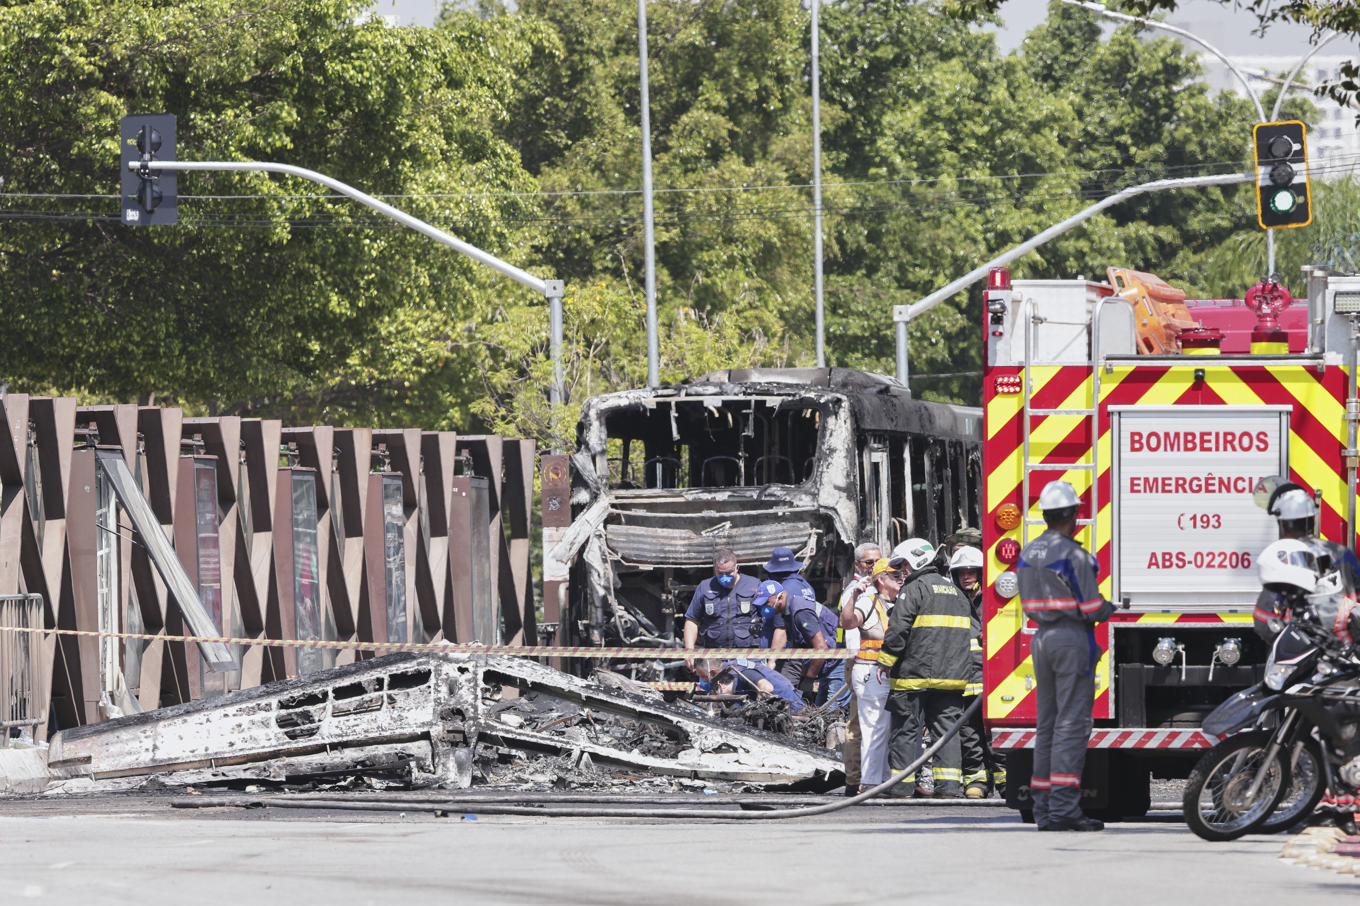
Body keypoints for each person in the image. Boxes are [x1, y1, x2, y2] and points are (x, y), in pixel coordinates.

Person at [1017, 480, 1115, 832]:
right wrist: (1112, 607)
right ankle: (1064, 810)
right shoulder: (1074, 554)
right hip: (1072, 639)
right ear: (1074, 514)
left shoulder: (1028, 552)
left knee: (1047, 727)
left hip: (1041, 639)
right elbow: (1091, 607)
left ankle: (1044, 811)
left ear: (1045, 515)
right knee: (1072, 727)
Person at [877, 537, 972, 798]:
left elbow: (898, 630)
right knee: (946, 733)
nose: (902, 571)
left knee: (906, 730)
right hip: (951, 679)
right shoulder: (957, 593)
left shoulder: (913, 589)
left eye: (903, 564)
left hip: (913, 678)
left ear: (918, 559)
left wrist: (885, 661)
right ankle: (949, 788)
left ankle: (901, 787)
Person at [1253, 479, 1360, 641]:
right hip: (1344, 651)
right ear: (1313, 519)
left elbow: (1263, 620)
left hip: (1300, 652)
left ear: (1282, 524)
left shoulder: (1283, 559)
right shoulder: (1343, 553)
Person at [950, 545, 1005, 799]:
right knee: (969, 735)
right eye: (961, 572)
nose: (967, 577)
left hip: (994, 681)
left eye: (972, 572)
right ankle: (977, 781)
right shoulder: (952, 602)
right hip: (964, 679)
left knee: (996, 735)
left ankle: (1006, 781)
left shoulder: (996, 600)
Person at [843, 556, 899, 792]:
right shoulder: (868, 601)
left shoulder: (898, 602)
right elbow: (847, 622)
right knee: (874, 728)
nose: (901, 578)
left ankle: (882, 779)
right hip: (870, 672)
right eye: (895, 575)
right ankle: (870, 782)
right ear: (881, 579)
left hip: (885, 673)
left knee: (884, 729)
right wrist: (854, 596)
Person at [837, 542, 882, 794]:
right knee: (857, 725)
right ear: (857, 565)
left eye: (877, 561)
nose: (874, 566)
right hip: (862, 664)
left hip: (879, 666)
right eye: (868, 562)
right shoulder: (856, 592)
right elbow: (853, 634)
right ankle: (854, 782)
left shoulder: (879, 589)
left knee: (876, 725)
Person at [683, 549, 764, 670]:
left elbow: (769, 619)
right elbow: (692, 621)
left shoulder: (754, 585)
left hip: (747, 655)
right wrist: (689, 650)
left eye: (729, 573)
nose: (725, 577)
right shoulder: (705, 587)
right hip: (714, 656)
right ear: (715, 570)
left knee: (748, 687)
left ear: (737, 567)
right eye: (720, 574)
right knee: (716, 688)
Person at [766, 581, 843, 705]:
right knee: (819, 713)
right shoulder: (787, 613)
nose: (764, 608)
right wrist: (804, 679)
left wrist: (808, 679)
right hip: (827, 665)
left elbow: (821, 648)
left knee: (833, 714)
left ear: (780, 597)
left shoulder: (800, 613)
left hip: (837, 662)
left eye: (766, 603)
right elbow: (803, 649)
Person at [692, 658, 805, 711]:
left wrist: (753, 710)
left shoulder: (738, 671)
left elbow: (766, 688)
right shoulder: (728, 673)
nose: (703, 681)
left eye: (703, 677)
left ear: (712, 672)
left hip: (792, 708)